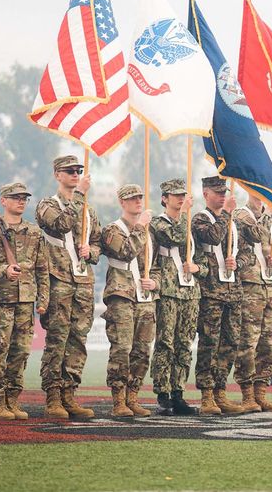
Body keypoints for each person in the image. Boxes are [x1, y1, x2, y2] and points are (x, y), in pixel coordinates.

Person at [0, 182, 49, 420]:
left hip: (26, 303)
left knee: (21, 353)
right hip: (0, 303)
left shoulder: (34, 232)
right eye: (15, 197)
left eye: (24, 198)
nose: (21, 201)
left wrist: (43, 299)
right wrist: (3, 269)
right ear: (3, 201)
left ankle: (13, 400)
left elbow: (42, 269)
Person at [37, 154, 101, 420]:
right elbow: (61, 223)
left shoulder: (89, 210)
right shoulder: (47, 205)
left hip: (83, 281)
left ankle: (69, 394)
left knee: (78, 340)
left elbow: (98, 243)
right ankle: (53, 396)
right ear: (57, 175)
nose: (75, 175)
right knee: (57, 340)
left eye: (78, 170)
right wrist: (80, 197)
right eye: (70, 171)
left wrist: (92, 251)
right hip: (59, 281)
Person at [100, 184, 157, 417]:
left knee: (142, 351)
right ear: (122, 203)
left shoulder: (148, 233)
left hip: (145, 298)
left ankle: (133, 396)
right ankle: (118, 400)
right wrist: (141, 226)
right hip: (121, 296)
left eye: (139, 197)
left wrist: (156, 283)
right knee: (122, 349)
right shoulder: (112, 230)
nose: (137, 201)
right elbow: (125, 251)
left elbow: (156, 266)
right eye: (131, 198)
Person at [192, 176, 245, 415]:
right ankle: (206, 395)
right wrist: (226, 213)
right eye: (217, 192)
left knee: (230, 343)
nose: (222, 195)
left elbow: (246, 253)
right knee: (209, 343)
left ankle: (220, 391)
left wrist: (239, 262)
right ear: (206, 194)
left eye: (224, 192)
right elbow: (213, 237)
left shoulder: (232, 222)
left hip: (233, 291)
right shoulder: (201, 218)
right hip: (211, 291)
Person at [150, 178, 201, 416]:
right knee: (166, 343)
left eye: (183, 195)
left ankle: (178, 392)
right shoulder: (158, 223)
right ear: (164, 198)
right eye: (175, 195)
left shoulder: (188, 223)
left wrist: (200, 269)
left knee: (184, 344)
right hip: (168, 290)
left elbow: (199, 255)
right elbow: (175, 237)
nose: (180, 199)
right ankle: (163, 394)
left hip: (189, 291)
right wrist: (187, 215)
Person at [233, 193, 272, 412]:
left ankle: (261, 392)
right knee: (248, 343)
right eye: (258, 192)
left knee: (269, 343)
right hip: (250, 287)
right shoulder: (240, 216)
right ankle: (247, 394)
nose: (263, 197)